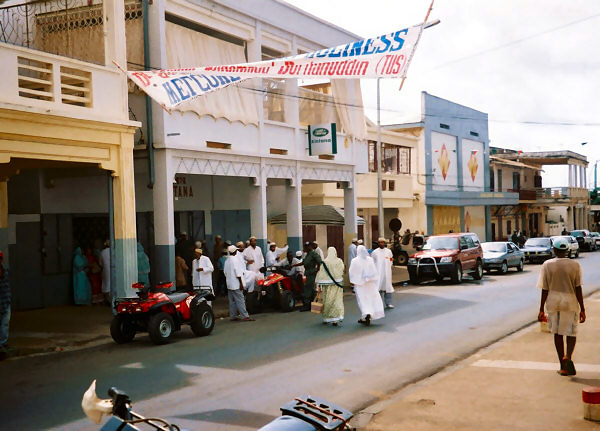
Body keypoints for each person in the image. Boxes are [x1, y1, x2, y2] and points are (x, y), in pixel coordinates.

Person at [537, 237, 586, 376]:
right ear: (567, 250)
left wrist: (541, 309)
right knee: (571, 332)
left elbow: (544, 289)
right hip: (570, 302)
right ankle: (568, 356)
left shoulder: (547, 265)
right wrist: (583, 309)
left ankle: (562, 366)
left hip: (553, 302)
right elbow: (578, 288)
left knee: (557, 333)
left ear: (554, 249)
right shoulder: (575, 265)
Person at [349, 245, 385, 326]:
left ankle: (366, 314)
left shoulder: (355, 261)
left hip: (360, 284)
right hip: (370, 284)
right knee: (370, 299)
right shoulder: (370, 260)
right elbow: (374, 271)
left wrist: (354, 280)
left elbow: (352, 272)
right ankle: (367, 315)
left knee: (363, 300)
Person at [316, 247, 345, 326]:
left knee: (327, 301)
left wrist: (319, 285)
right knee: (336, 301)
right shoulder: (339, 261)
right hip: (337, 285)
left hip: (327, 286)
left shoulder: (325, 262)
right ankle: (336, 319)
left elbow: (321, 274)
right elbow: (342, 270)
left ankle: (327, 318)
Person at [224, 245, 254, 322]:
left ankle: (233, 316)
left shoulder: (227, 260)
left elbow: (225, 272)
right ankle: (245, 316)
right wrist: (241, 283)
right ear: (235, 251)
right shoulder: (235, 260)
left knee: (232, 301)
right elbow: (238, 273)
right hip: (236, 284)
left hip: (229, 284)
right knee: (240, 300)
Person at [371, 237, 395, 309]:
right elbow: (372, 262)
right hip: (378, 273)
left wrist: (389, 265)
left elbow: (391, 259)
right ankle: (379, 304)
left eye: (382, 242)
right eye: (380, 242)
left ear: (385, 243)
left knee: (388, 288)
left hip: (387, 273)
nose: (381, 243)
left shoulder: (388, 251)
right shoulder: (375, 252)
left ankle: (388, 303)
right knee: (379, 288)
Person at [300, 242, 322, 311]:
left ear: (309, 247)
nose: (305, 248)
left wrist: (317, 269)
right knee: (312, 289)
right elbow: (304, 262)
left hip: (311, 273)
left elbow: (319, 261)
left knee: (307, 289)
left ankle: (307, 305)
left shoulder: (313, 254)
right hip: (308, 273)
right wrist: (293, 265)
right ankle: (313, 305)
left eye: (306, 247)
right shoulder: (308, 254)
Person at [0, 251, 10, 351]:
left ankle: (3, 342)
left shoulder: (5, 271)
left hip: (5, 301)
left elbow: (6, 287)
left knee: (5, 323)